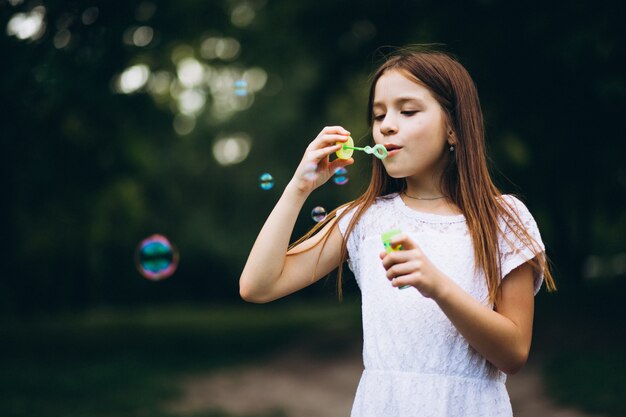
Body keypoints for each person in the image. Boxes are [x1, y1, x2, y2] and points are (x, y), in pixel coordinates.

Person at [239, 48, 556, 417]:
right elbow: (257, 286)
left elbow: (514, 353)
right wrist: (299, 188)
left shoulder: (503, 219)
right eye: (378, 115)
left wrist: (437, 286)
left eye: (407, 111)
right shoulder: (364, 220)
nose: (387, 125)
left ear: (453, 128)